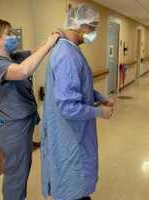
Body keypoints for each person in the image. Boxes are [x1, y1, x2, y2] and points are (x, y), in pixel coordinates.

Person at [0, 19, 60, 200]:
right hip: (12, 129)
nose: (13, 36)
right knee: (16, 174)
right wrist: (49, 44)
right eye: (8, 34)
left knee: (20, 169)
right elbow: (23, 71)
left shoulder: (13, 56)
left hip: (21, 124)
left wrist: (51, 38)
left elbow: (34, 52)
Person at [41, 4, 114, 200]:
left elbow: (81, 85)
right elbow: (69, 107)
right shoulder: (66, 55)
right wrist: (100, 112)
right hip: (70, 136)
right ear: (81, 26)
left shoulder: (72, 51)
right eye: (93, 27)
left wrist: (100, 98)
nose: (94, 32)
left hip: (75, 133)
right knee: (72, 184)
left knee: (77, 186)